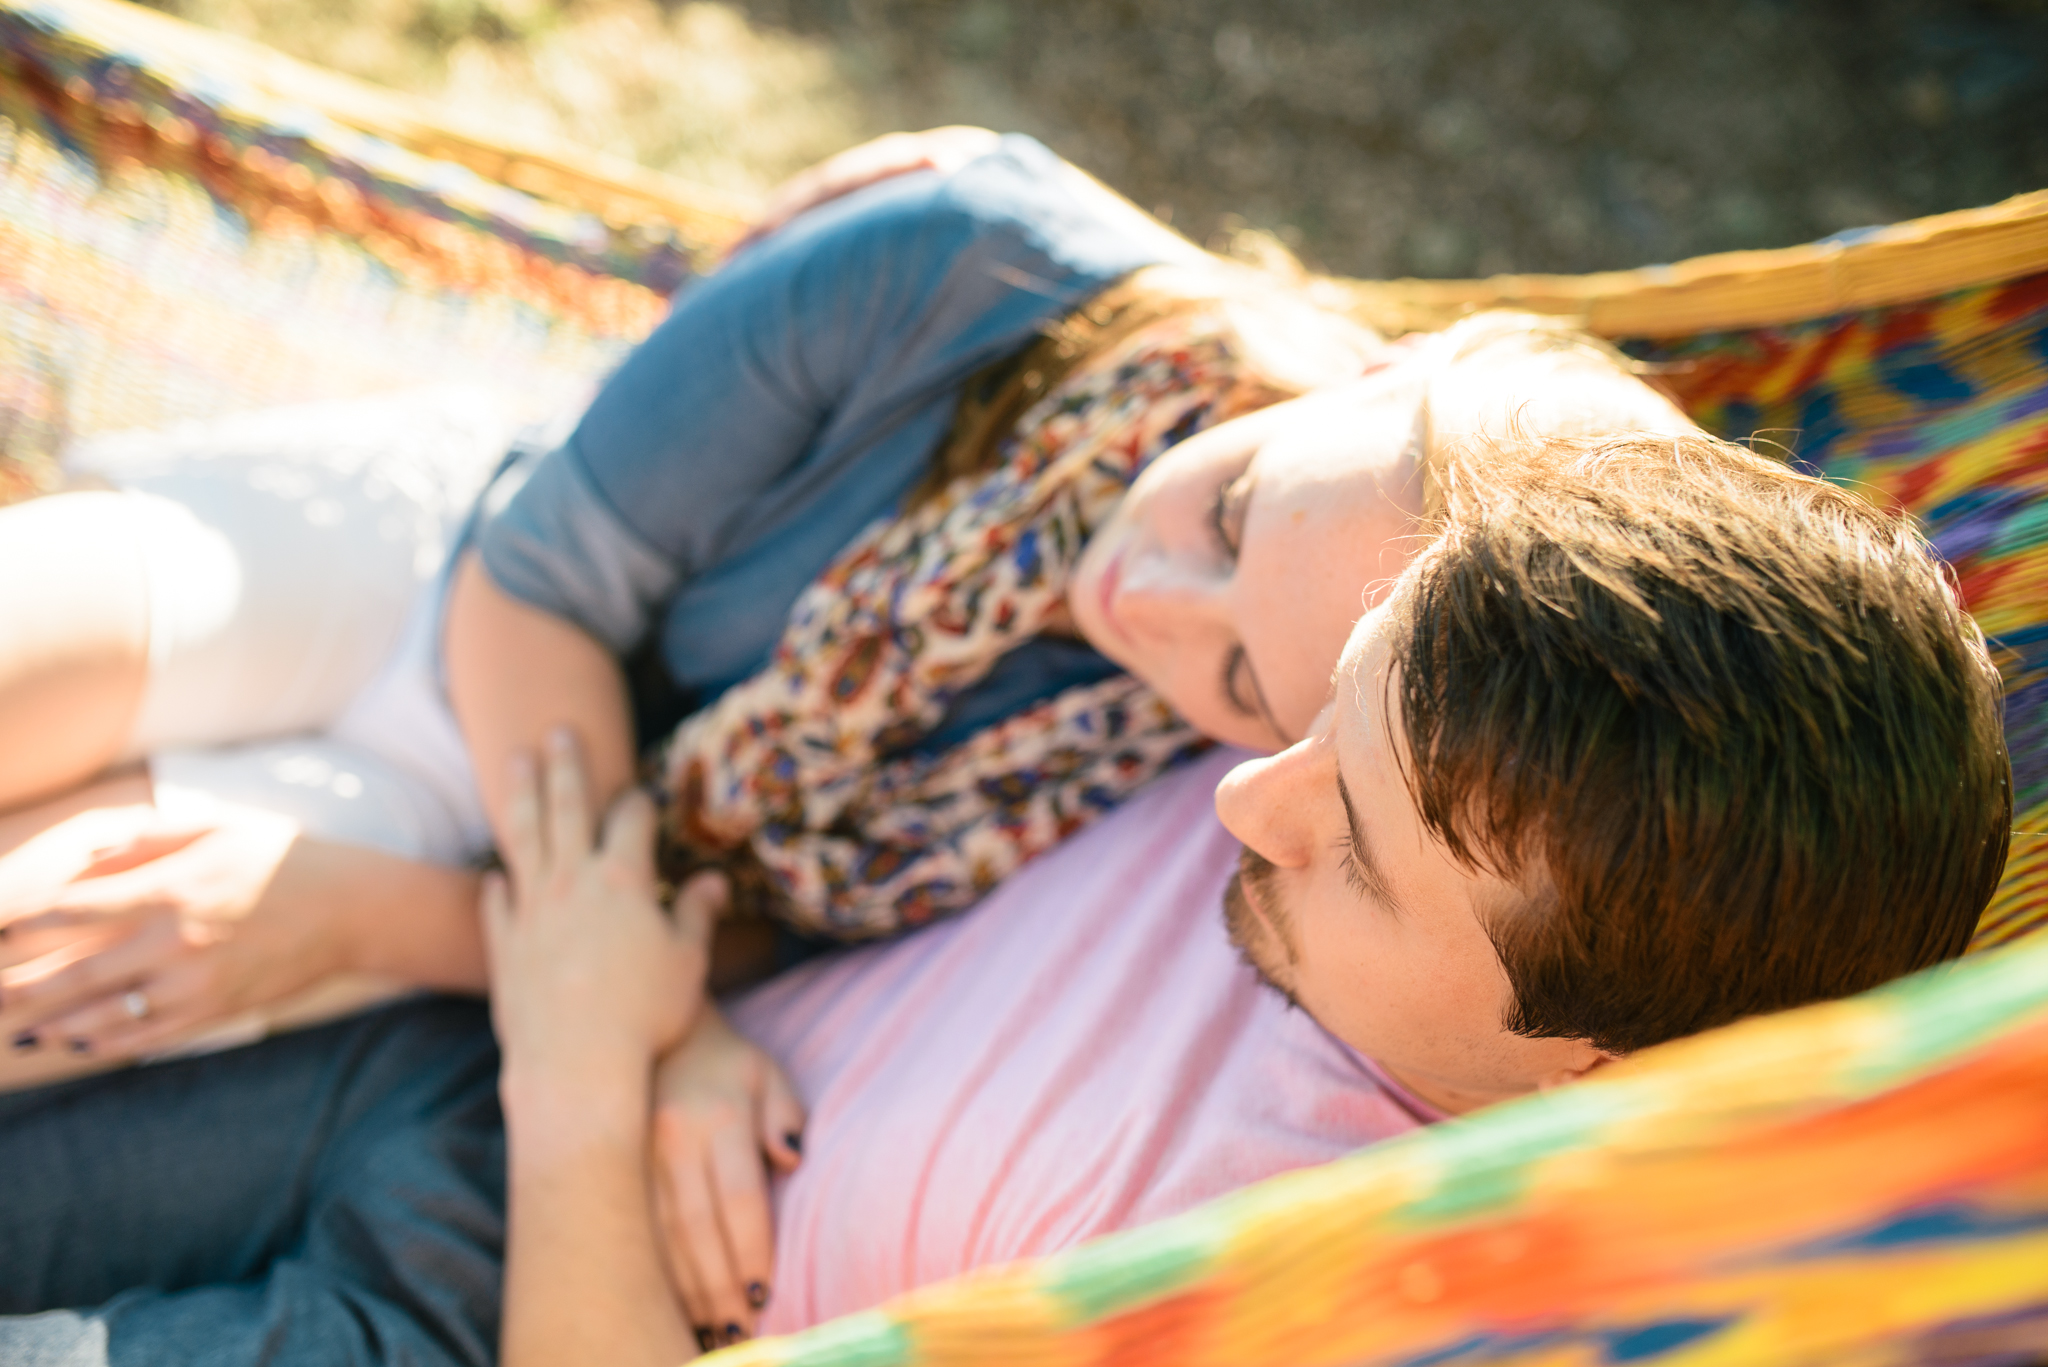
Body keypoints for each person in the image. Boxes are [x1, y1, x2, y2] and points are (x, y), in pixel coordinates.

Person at [0, 127, 1683, 1337]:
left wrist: (596, 994)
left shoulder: (1262, 774)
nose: (1148, 603)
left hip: (523, 849)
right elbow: (532, 591)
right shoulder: (974, 254)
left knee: (57, 934)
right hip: (447, 585)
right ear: (1393, 364)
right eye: (1232, 511)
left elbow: (756, 922)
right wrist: (643, 1022)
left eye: (1246, 679)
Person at [478, 420, 2010, 1363]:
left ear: (1598, 1066)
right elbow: (1489, 376)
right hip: (552, 1000)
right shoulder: (1491, 689)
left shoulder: (1293, 1295)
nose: (1238, 794)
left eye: (1352, 844)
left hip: (516, 1250)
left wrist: (579, 1093)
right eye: (1323, 713)